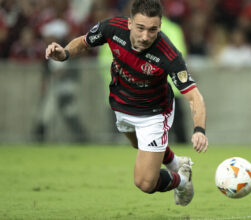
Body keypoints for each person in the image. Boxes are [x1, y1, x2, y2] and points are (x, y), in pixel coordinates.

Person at [45, 0, 208, 206]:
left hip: (154, 113)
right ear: (130, 23)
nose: (145, 36)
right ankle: (178, 163)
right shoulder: (112, 28)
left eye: (152, 30)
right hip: (121, 105)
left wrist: (199, 129)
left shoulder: (169, 55)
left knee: (145, 182)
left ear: (159, 27)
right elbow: (84, 42)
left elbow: (195, 96)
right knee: (137, 144)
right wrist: (65, 53)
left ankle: (183, 181)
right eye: (140, 28)